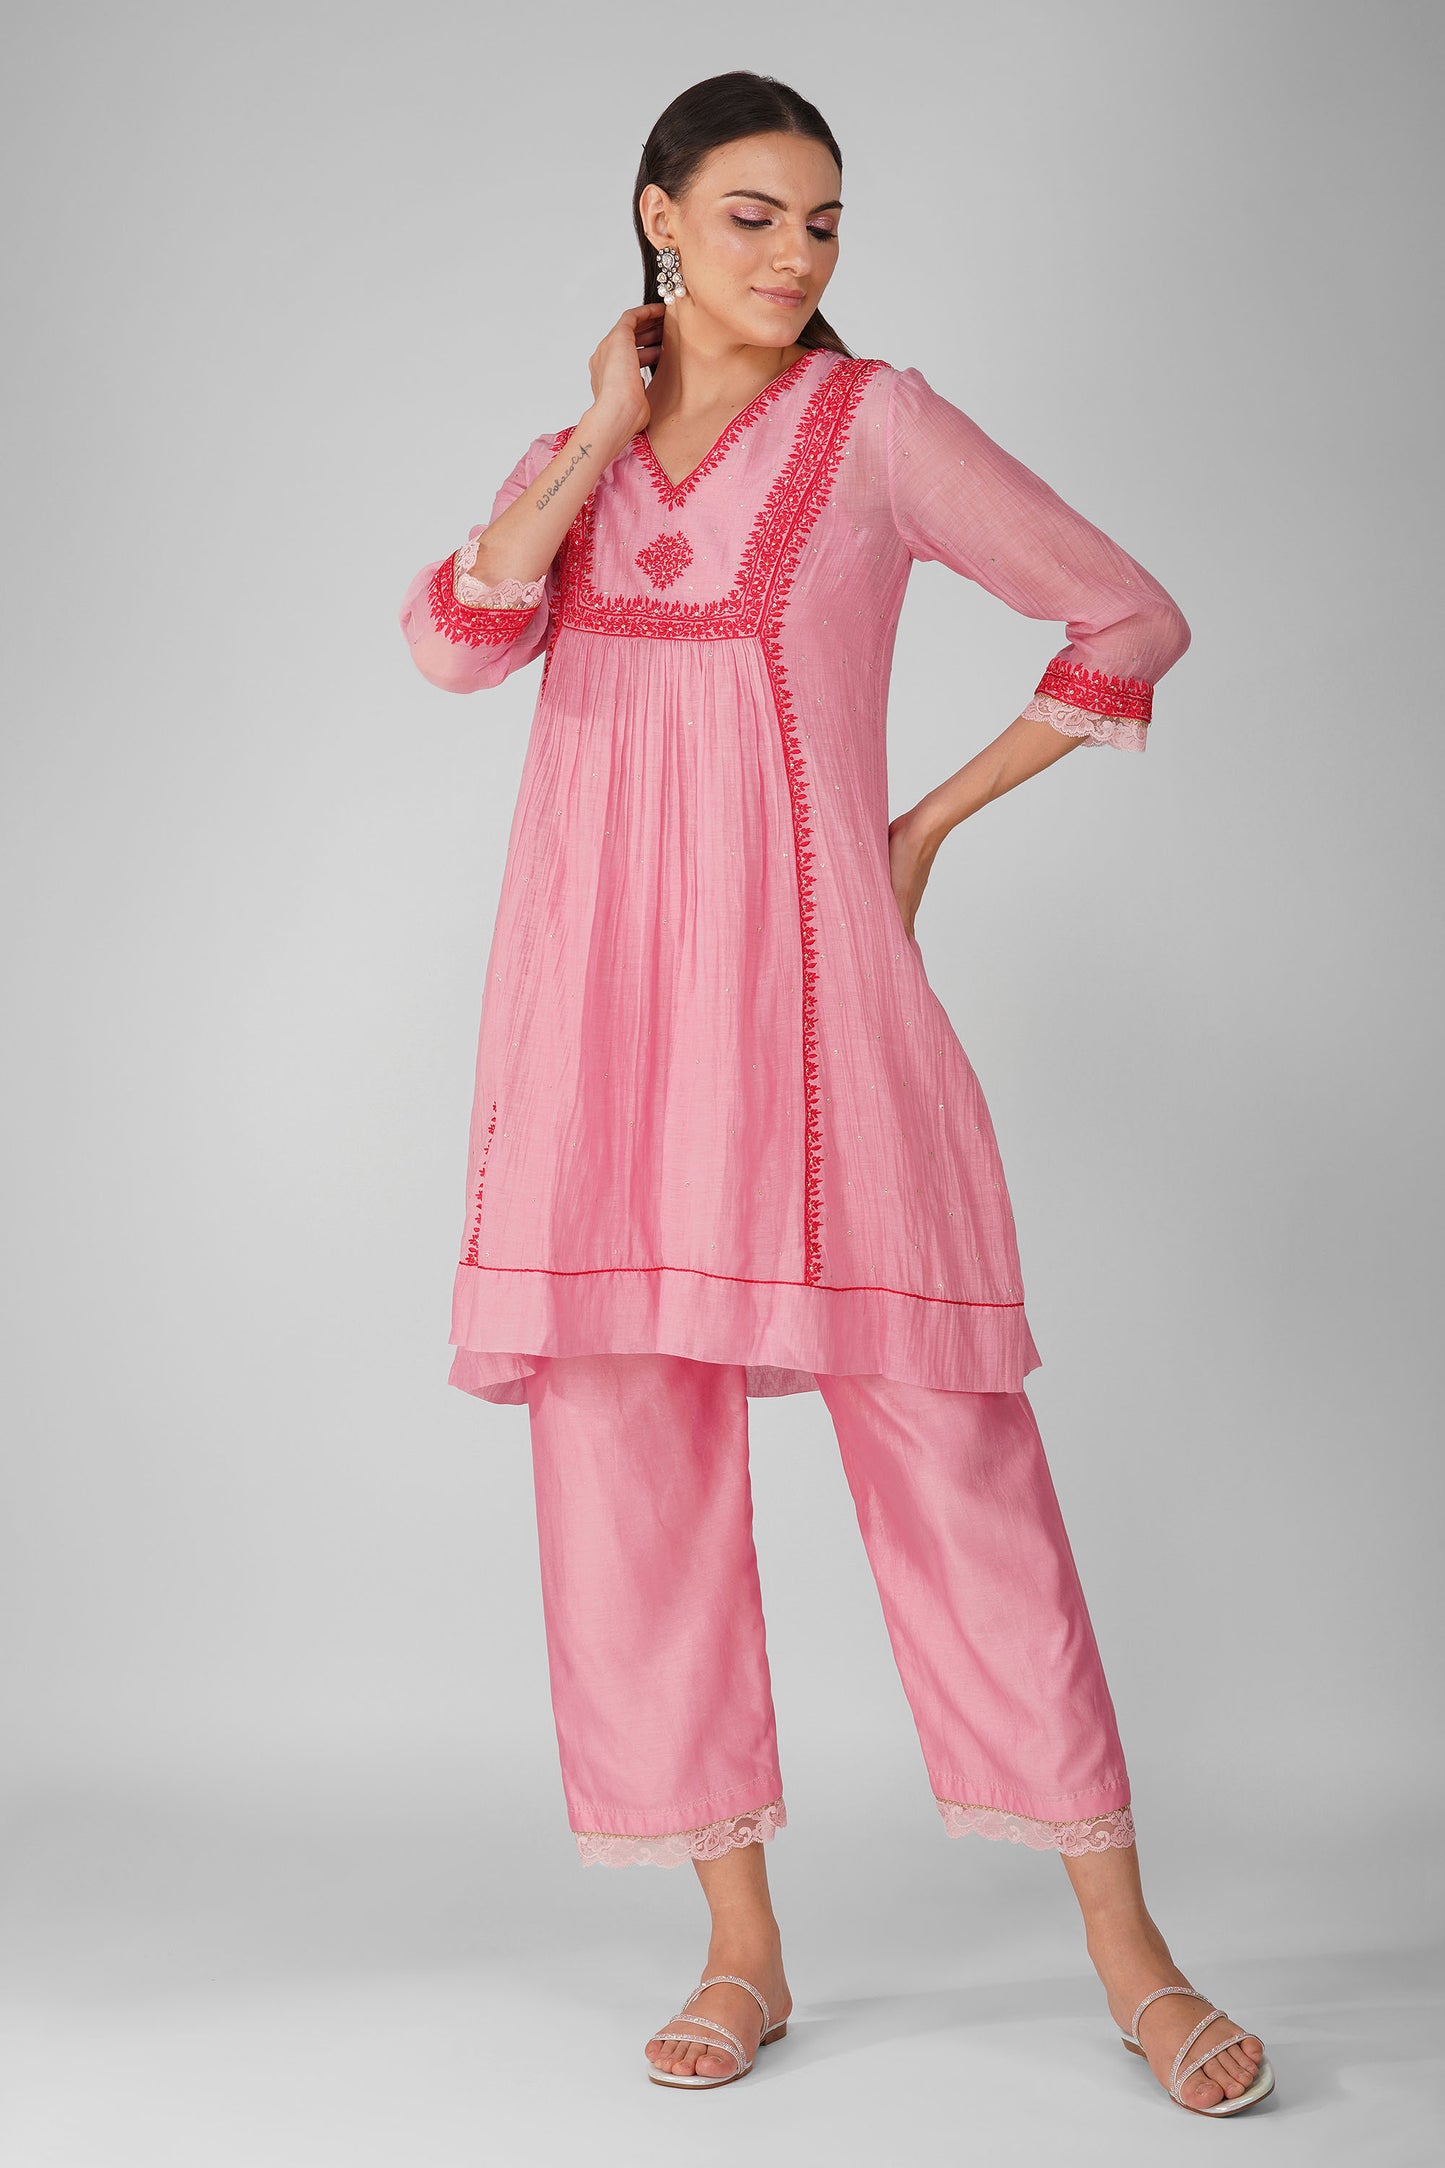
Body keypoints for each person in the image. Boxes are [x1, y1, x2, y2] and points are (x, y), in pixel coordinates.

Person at [398, 69, 1273, 2120]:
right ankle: (739, 1948)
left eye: (823, 223)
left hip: (814, 1020)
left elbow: (1127, 610)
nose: (794, 255)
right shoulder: (570, 463)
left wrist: (927, 826)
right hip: (598, 1038)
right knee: (629, 1465)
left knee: (955, 1455)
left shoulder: (874, 427)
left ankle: (1133, 1956)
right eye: (753, 215)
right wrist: (595, 430)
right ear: (658, 217)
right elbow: (452, 643)